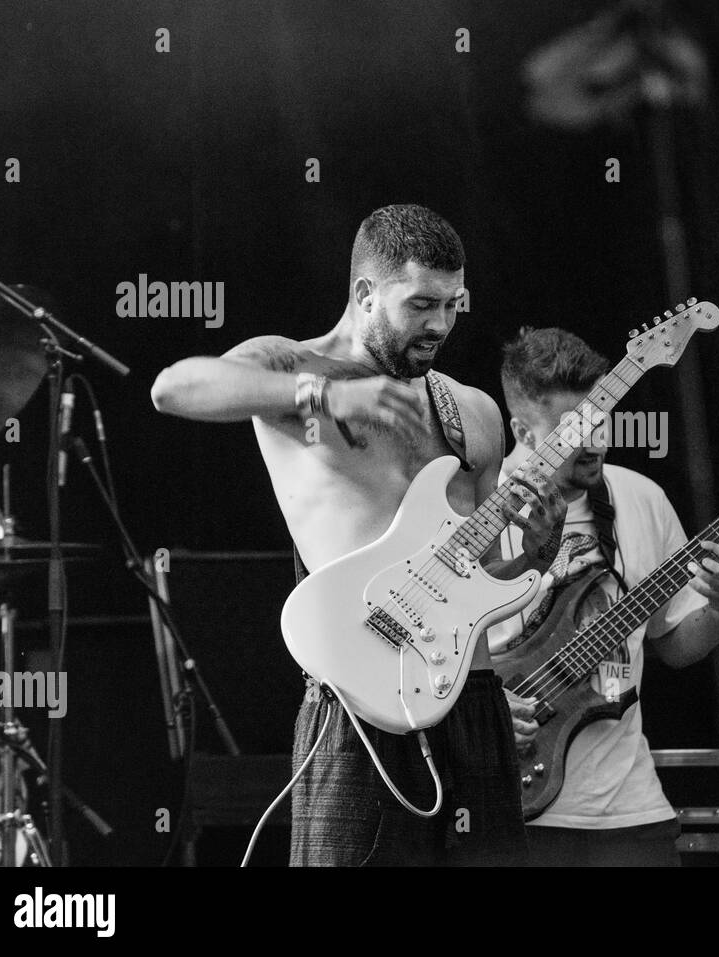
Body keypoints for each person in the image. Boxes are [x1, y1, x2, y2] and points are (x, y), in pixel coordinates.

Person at [150, 204, 567, 865]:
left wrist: (537, 549)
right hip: (359, 704)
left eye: (452, 304)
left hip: (473, 699)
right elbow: (175, 388)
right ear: (365, 294)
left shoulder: (475, 411)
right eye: (420, 304)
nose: (439, 324)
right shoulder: (294, 367)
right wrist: (329, 397)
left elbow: (485, 570)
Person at [489, 327, 719, 866]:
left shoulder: (641, 498)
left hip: (632, 813)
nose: (593, 439)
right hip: (513, 809)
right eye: (570, 427)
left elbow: (673, 644)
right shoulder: (473, 508)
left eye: (598, 419)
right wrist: (484, 710)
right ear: (522, 431)